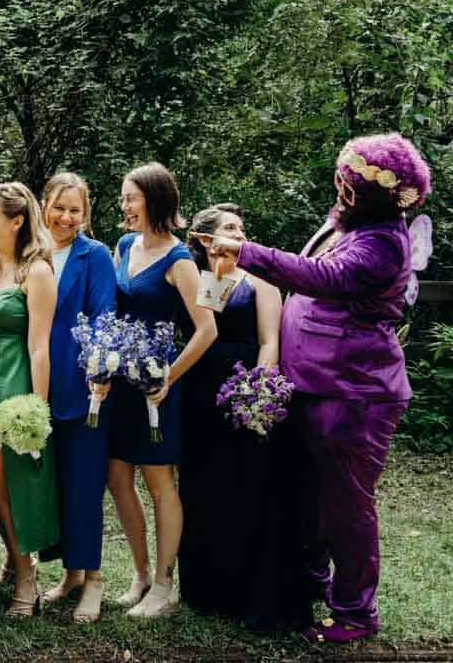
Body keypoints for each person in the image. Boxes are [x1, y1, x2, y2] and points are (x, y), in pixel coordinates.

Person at [204, 133, 431, 643]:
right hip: (313, 384)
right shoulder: (344, 222)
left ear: (373, 195)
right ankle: (311, 590)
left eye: (350, 184)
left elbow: (317, 276)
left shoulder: (382, 245)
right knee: (307, 499)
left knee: (347, 508)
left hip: (355, 393)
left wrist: (246, 252)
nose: (341, 187)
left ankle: (354, 613)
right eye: (342, 177)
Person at [176, 203, 310, 630]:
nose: (239, 234)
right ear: (203, 239)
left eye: (241, 228)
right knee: (204, 485)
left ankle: (247, 590)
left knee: (249, 487)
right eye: (229, 229)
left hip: (246, 389)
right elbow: (204, 325)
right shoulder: (198, 278)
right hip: (200, 391)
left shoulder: (262, 280)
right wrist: (218, 269)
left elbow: (270, 341)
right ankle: (207, 589)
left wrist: (259, 394)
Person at [104, 162, 216, 618]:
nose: (124, 205)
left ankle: (166, 585)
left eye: (131, 197)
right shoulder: (125, 244)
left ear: (155, 200)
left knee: (158, 483)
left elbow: (206, 329)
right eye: (124, 197)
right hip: (118, 385)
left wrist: (167, 377)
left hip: (157, 390)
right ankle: (141, 573)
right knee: (117, 477)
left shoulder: (180, 261)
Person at [0, 182, 59, 618]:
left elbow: (40, 346)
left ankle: (27, 578)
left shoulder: (35, 271)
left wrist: (38, 409)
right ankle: (15, 559)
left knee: (3, 487)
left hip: (14, 384)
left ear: (17, 221)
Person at [38, 173, 116, 623]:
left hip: (83, 385)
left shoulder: (95, 255)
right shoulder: (33, 251)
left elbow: (105, 316)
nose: (67, 217)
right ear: (45, 203)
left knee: (85, 483)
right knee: (53, 484)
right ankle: (69, 574)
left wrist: (101, 372)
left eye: (76, 210)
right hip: (35, 381)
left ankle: (95, 580)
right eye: (60, 207)